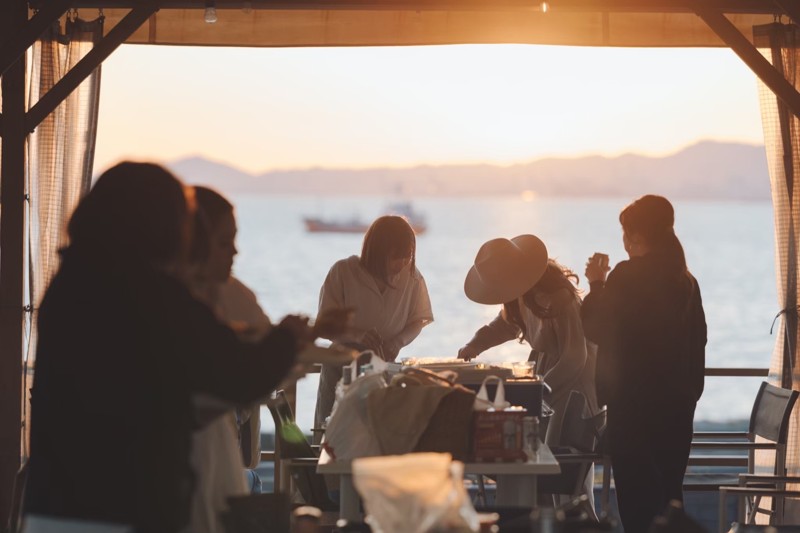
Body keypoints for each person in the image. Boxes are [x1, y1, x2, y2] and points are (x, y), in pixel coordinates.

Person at [24, 162, 347, 533]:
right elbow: (237, 371)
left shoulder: (68, 286)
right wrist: (286, 338)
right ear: (158, 223)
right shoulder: (149, 292)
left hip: (54, 503)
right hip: (129, 505)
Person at [581, 194, 706, 533]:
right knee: (668, 501)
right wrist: (690, 394)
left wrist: (595, 283)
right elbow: (699, 343)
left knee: (638, 503)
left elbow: (596, 328)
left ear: (636, 235)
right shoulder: (686, 281)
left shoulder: (627, 275)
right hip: (678, 409)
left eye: (626, 231)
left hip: (633, 408)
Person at [187, 186, 275, 533]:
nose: (236, 250)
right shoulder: (167, 304)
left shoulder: (233, 294)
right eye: (225, 242)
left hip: (212, 452)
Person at [457, 234, 598, 445]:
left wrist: (539, 391)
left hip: (573, 382)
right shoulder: (520, 296)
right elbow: (503, 325)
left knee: (559, 452)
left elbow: (575, 357)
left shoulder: (560, 298)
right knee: (535, 445)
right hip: (548, 374)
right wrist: (474, 345)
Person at [314, 215, 434, 433]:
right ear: (376, 252)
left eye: (406, 257)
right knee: (333, 437)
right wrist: (355, 336)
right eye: (395, 257)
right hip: (340, 371)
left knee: (378, 438)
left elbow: (419, 320)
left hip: (384, 370)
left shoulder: (413, 278)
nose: (402, 264)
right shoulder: (343, 272)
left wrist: (399, 341)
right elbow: (324, 326)